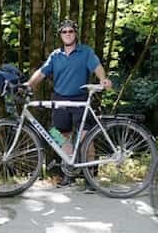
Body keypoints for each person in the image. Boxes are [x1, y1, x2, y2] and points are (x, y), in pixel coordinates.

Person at [24, 19, 113, 189]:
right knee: (59, 136)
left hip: (80, 99)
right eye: (64, 32)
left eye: (70, 31)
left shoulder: (85, 52)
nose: (67, 34)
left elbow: (97, 67)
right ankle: (69, 174)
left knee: (86, 138)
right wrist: (28, 85)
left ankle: (91, 178)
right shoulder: (55, 55)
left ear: (75, 34)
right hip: (60, 100)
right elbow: (42, 73)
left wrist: (103, 79)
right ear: (60, 35)